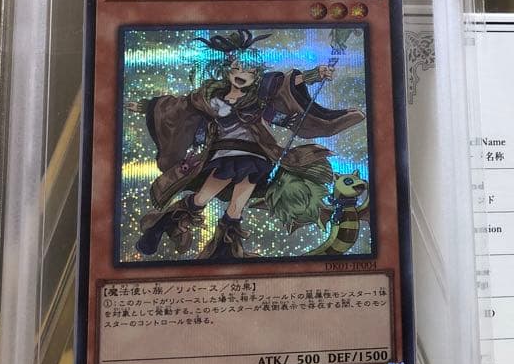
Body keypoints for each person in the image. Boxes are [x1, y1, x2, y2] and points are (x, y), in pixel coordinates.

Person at [129, 29, 364, 260]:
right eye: (238, 67)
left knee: (235, 210)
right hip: (225, 155)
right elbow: (179, 108)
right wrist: (147, 106)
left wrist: (314, 75)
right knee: (200, 200)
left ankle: (224, 253)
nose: (242, 73)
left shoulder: (259, 100)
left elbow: (285, 85)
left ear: (256, 76)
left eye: (249, 70)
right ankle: (157, 228)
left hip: (255, 156)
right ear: (228, 70)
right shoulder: (212, 98)